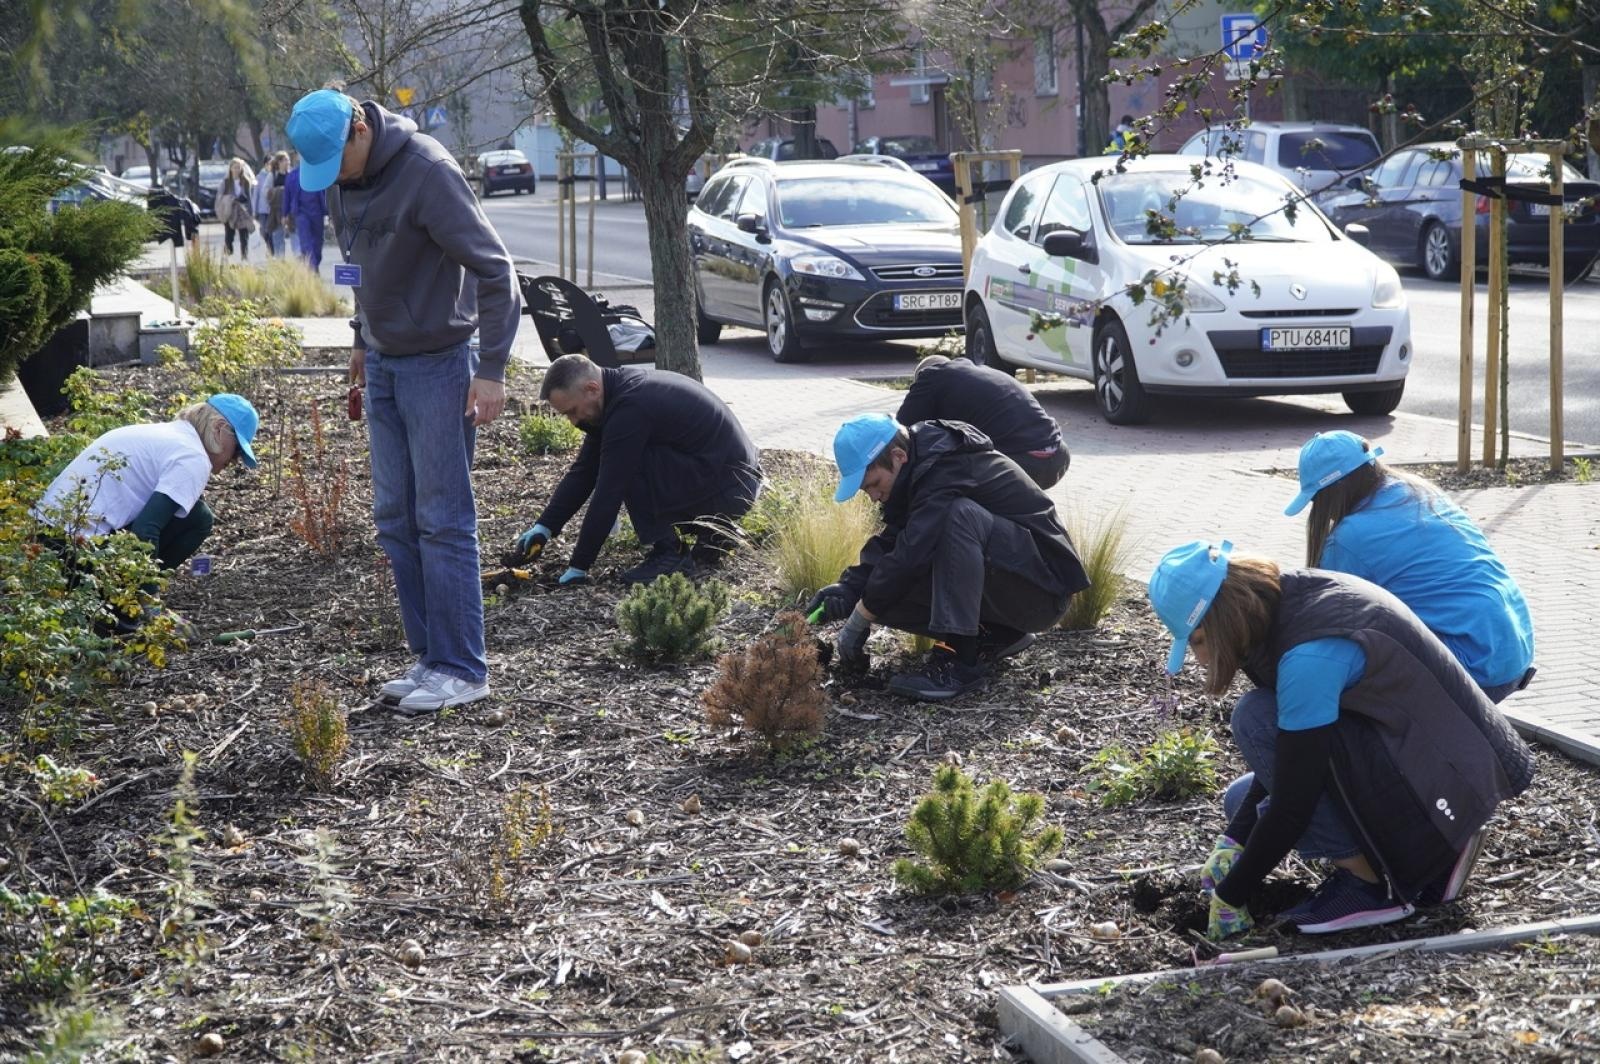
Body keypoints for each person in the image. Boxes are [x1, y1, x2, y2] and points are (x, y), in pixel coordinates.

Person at [1148, 540, 1535, 940]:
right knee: (1240, 801)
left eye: (1197, 641)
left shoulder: (1310, 656)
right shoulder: (1281, 601)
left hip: (1447, 779)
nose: (1202, 660)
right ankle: (1431, 853)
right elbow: (1288, 756)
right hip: (1420, 757)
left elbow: (1294, 802)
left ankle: (1374, 888)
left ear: (1224, 617)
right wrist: (1234, 840)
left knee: (1254, 719)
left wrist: (1233, 894)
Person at [287, 87, 520, 715]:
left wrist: (491, 370)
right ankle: (428, 659)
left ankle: (463, 667)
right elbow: (357, 268)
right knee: (395, 517)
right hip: (386, 363)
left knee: (442, 518)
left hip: (442, 364)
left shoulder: (429, 171)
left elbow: (497, 270)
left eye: (336, 163)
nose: (331, 180)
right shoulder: (338, 180)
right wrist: (361, 340)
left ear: (360, 129)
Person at [807, 413, 1089, 701]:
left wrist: (858, 620)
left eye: (873, 484)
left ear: (898, 456)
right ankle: (999, 634)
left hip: (1042, 593)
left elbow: (912, 553)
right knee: (879, 588)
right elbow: (896, 543)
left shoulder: (946, 465)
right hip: (1010, 590)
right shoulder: (918, 469)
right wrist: (849, 588)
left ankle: (960, 663)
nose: (873, 496)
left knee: (958, 516)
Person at [1285, 430, 1535, 702]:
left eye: (1316, 499)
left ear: (1332, 492)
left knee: (1338, 668)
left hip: (1474, 668)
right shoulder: (1420, 492)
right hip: (1513, 650)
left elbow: (1325, 623)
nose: (1319, 509)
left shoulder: (1349, 537)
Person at [513, 354, 764, 586]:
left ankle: (669, 552)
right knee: (622, 457)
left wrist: (580, 565)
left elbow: (609, 490)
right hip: (732, 481)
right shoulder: (618, 396)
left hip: (730, 488)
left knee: (627, 463)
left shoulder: (630, 409)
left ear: (592, 388)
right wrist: (544, 526)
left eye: (572, 412)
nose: (574, 421)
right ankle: (714, 535)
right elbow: (584, 471)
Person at [32, 395, 259, 574]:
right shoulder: (193, 457)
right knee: (199, 520)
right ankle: (124, 605)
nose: (234, 460)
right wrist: (147, 602)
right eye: (238, 449)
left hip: (40, 538)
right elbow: (146, 529)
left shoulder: (170, 435)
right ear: (219, 428)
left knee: (195, 512)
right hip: (75, 551)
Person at [895, 354, 1069, 490]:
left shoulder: (930, 376)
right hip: (1058, 454)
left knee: (946, 477)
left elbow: (899, 432)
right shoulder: (980, 373)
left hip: (1024, 461)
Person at [282, 159, 327, 272]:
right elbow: (287, 196)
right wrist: (284, 213)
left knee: (318, 242)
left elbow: (326, 193)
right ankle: (312, 269)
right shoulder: (293, 175)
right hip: (301, 213)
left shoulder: (318, 173)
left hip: (317, 211)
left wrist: (330, 213)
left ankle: (314, 263)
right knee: (305, 242)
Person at [214, 158, 256, 261]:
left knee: (244, 235)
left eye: (239, 167)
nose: (237, 169)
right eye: (235, 167)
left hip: (242, 211)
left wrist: (251, 213)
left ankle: (244, 258)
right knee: (229, 236)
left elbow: (249, 198)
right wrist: (230, 199)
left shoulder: (246, 181)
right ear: (230, 169)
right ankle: (227, 254)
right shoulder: (226, 182)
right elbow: (219, 197)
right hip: (230, 211)